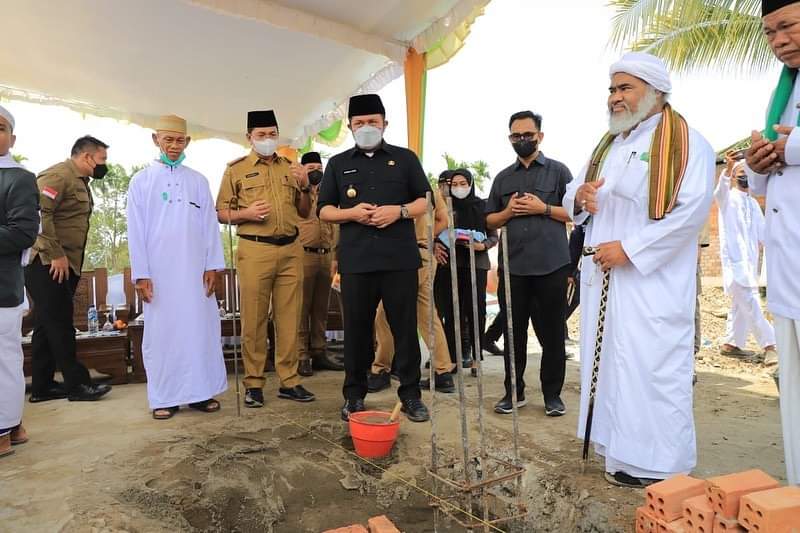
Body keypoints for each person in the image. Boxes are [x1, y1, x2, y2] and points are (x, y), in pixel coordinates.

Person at [564, 52, 714, 487]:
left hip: (652, 283)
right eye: (612, 89)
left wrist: (630, 249)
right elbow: (575, 191)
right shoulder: (610, 143)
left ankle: (662, 465)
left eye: (625, 88)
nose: (615, 97)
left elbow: (690, 213)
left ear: (655, 93)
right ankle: (620, 455)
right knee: (611, 365)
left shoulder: (687, 144)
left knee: (652, 367)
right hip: (606, 279)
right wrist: (582, 197)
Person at [318, 93, 431, 422]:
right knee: (356, 330)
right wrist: (351, 213)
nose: (367, 127)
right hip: (357, 261)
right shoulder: (338, 164)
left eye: (373, 122)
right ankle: (354, 396)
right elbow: (323, 210)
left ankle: (410, 395)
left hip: (399, 258)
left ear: (384, 124)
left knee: (405, 329)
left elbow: (424, 201)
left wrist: (399, 211)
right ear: (351, 127)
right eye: (360, 123)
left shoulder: (405, 158)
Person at [126, 114, 228, 419]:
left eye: (179, 140)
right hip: (159, 274)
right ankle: (164, 397)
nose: (173, 145)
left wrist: (213, 266)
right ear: (156, 139)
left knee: (200, 330)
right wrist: (142, 274)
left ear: (188, 142)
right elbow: (135, 229)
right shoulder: (142, 181)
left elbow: (210, 225)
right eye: (168, 139)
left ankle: (200, 392)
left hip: (196, 272)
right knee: (163, 333)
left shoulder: (198, 180)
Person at [216, 110, 315, 407]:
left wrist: (306, 185)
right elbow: (220, 212)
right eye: (261, 135)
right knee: (254, 318)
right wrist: (245, 214)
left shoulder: (290, 167)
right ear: (249, 138)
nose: (268, 139)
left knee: (289, 318)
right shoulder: (235, 170)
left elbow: (305, 211)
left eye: (272, 134)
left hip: (290, 250)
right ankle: (254, 383)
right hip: (255, 248)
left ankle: (289, 380)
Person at [743, 0, 800, 485]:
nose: (779, 40)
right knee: (796, 402)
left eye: (789, 26)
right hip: (788, 272)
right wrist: (759, 163)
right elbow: (768, 183)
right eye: (769, 32)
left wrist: (790, 146)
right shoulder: (783, 92)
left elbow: (792, 148)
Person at [485, 110, 573, 417]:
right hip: (514, 268)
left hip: (552, 265)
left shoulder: (559, 172)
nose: (522, 140)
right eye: (516, 136)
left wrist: (543, 207)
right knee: (513, 333)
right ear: (510, 138)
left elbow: (576, 214)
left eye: (528, 135)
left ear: (540, 136)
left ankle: (552, 395)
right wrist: (508, 212)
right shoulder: (503, 178)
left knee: (551, 335)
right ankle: (514, 392)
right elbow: (489, 219)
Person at [25, 135, 112, 402]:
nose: (104, 165)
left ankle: (42, 386)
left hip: (66, 264)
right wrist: (56, 254)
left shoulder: (80, 181)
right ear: (86, 157)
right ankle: (77, 385)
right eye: (102, 159)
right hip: (47, 264)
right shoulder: (59, 175)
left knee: (45, 324)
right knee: (61, 324)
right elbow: (39, 213)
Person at [370, 172, 455, 394]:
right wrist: (427, 236)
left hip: (404, 256)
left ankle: (381, 370)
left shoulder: (397, 187)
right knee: (428, 314)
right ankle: (443, 372)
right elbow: (444, 220)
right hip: (425, 253)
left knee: (384, 314)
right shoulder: (430, 190)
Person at [0, 105, 38, 456]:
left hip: (3, 286)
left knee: (3, 358)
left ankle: (3, 430)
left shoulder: (19, 178)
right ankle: (14, 425)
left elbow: (22, 233)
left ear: (12, 137)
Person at [434, 168, 497, 373]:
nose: (459, 188)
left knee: (475, 310)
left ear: (470, 185)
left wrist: (483, 246)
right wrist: (437, 243)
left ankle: (476, 359)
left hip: (475, 264)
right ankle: (452, 358)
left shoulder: (483, 206)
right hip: (448, 265)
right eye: (455, 184)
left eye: (463, 184)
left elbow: (493, 236)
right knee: (451, 312)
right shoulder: (444, 207)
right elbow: (431, 230)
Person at [716, 157, 776, 363]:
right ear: (733, 176)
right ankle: (771, 345)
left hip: (750, 265)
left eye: (746, 172)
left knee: (740, 306)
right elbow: (719, 192)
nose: (743, 176)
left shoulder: (752, 203)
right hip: (735, 264)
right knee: (752, 304)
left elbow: (764, 235)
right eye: (739, 172)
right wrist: (726, 171)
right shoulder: (727, 199)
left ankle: (731, 344)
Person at [296, 151, 343, 376]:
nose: (316, 171)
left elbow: (335, 226)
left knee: (321, 307)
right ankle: (302, 355)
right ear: (302, 169)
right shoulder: (297, 193)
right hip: (302, 255)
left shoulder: (329, 193)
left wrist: (335, 256)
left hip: (326, 256)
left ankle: (319, 351)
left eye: (319, 167)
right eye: (310, 167)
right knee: (301, 307)